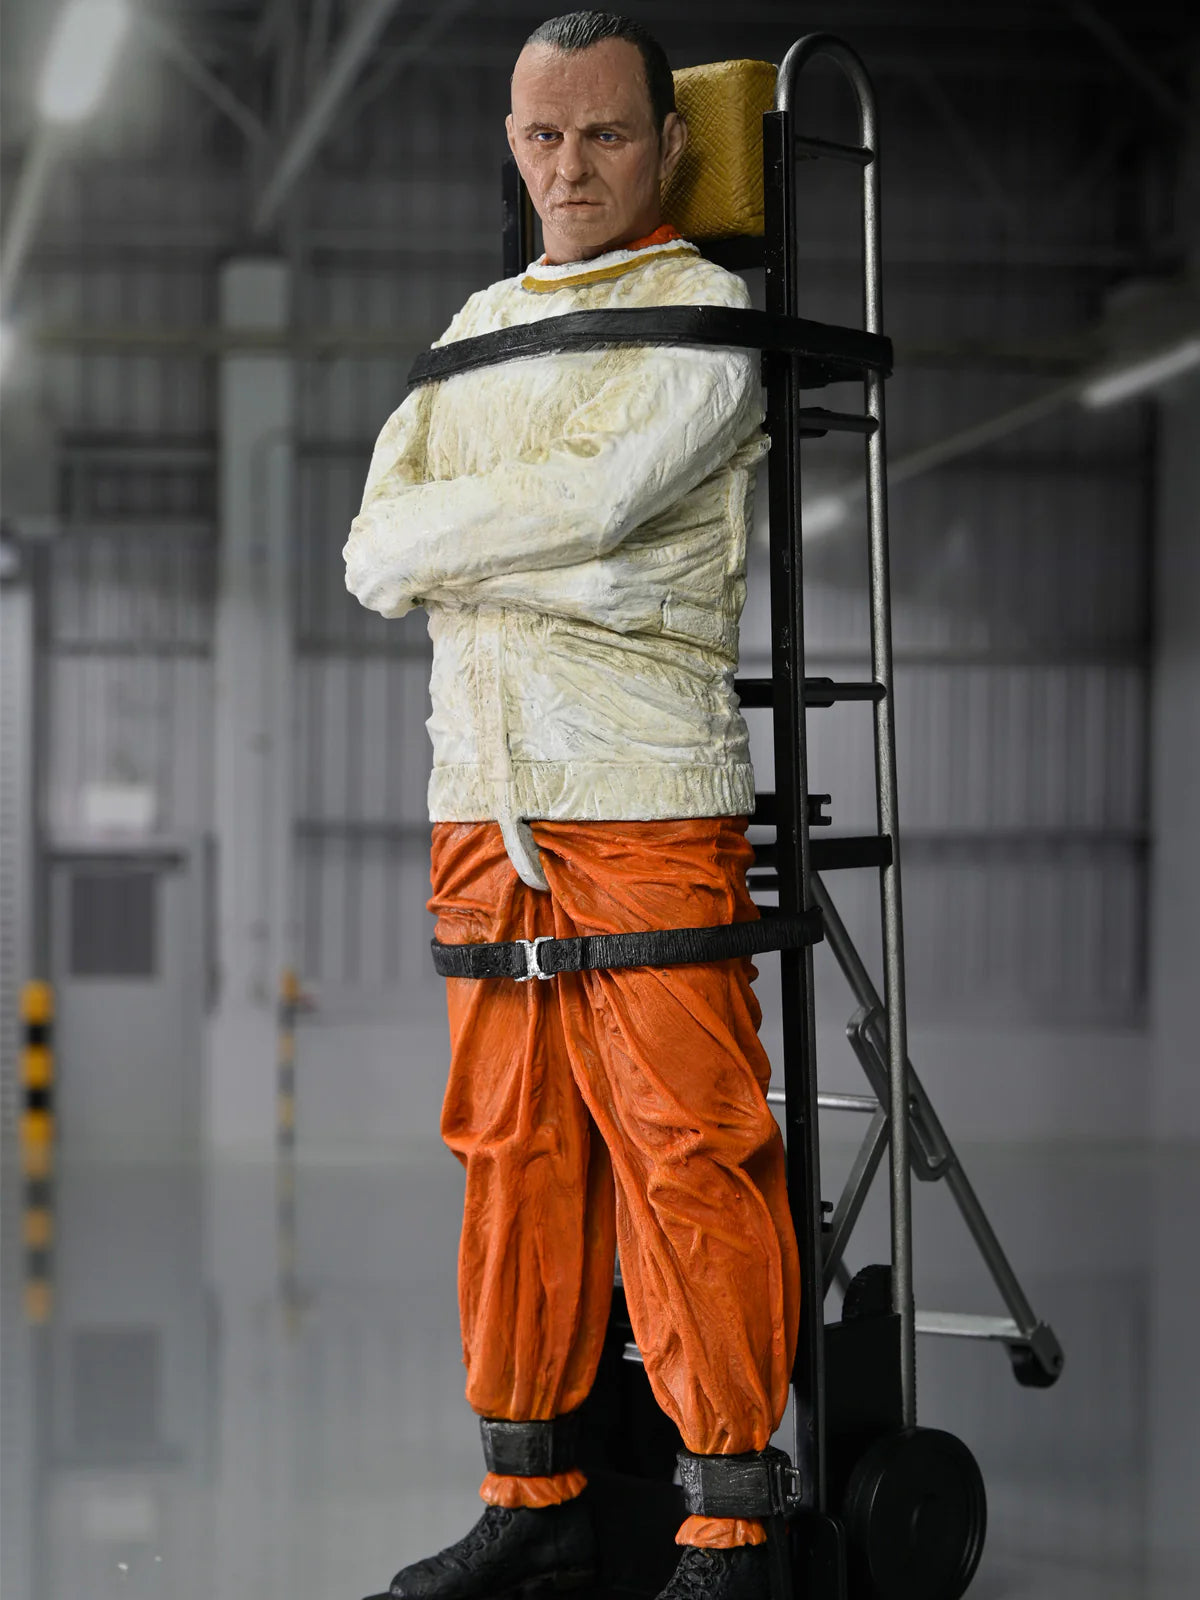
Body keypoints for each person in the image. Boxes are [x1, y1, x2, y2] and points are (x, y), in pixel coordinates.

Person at [344, 13, 801, 1599]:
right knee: (511, 1152)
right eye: (543, 136)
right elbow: (372, 552)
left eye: (604, 133)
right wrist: (572, 569)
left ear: (668, 142)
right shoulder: (473, 332)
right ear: (511, 143)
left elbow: (604, 496)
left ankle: (731, 1520)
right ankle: (531, 1499)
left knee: (686, 1147)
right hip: (480, 796)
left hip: (641, 787)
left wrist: (480, 550)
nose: (570, 166)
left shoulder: (705, 314)